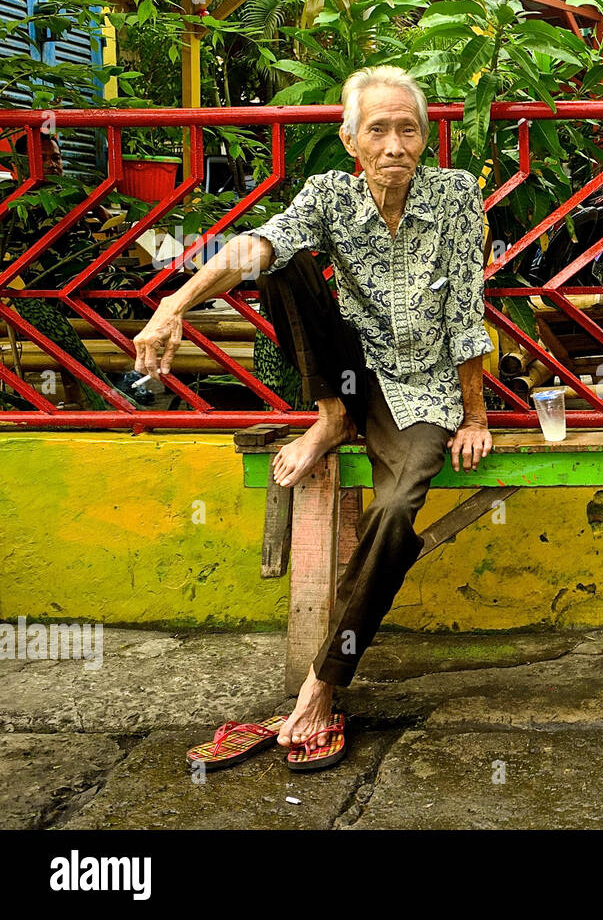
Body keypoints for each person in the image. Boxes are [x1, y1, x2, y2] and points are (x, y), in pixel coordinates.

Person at [133, 66, 495, 765]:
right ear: (351, 139)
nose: (395, 143)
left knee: (395, 511)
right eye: (379, 129)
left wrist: (475, 416)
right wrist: (172, 305)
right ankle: (330, 417)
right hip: (354, 374)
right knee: (275, 257)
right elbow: (253, 249)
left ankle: (322, 683)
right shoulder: (329, 195)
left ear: (424, 137)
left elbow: (466, 313)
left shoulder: (455, 197)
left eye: (408, 128)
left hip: (421, 391)